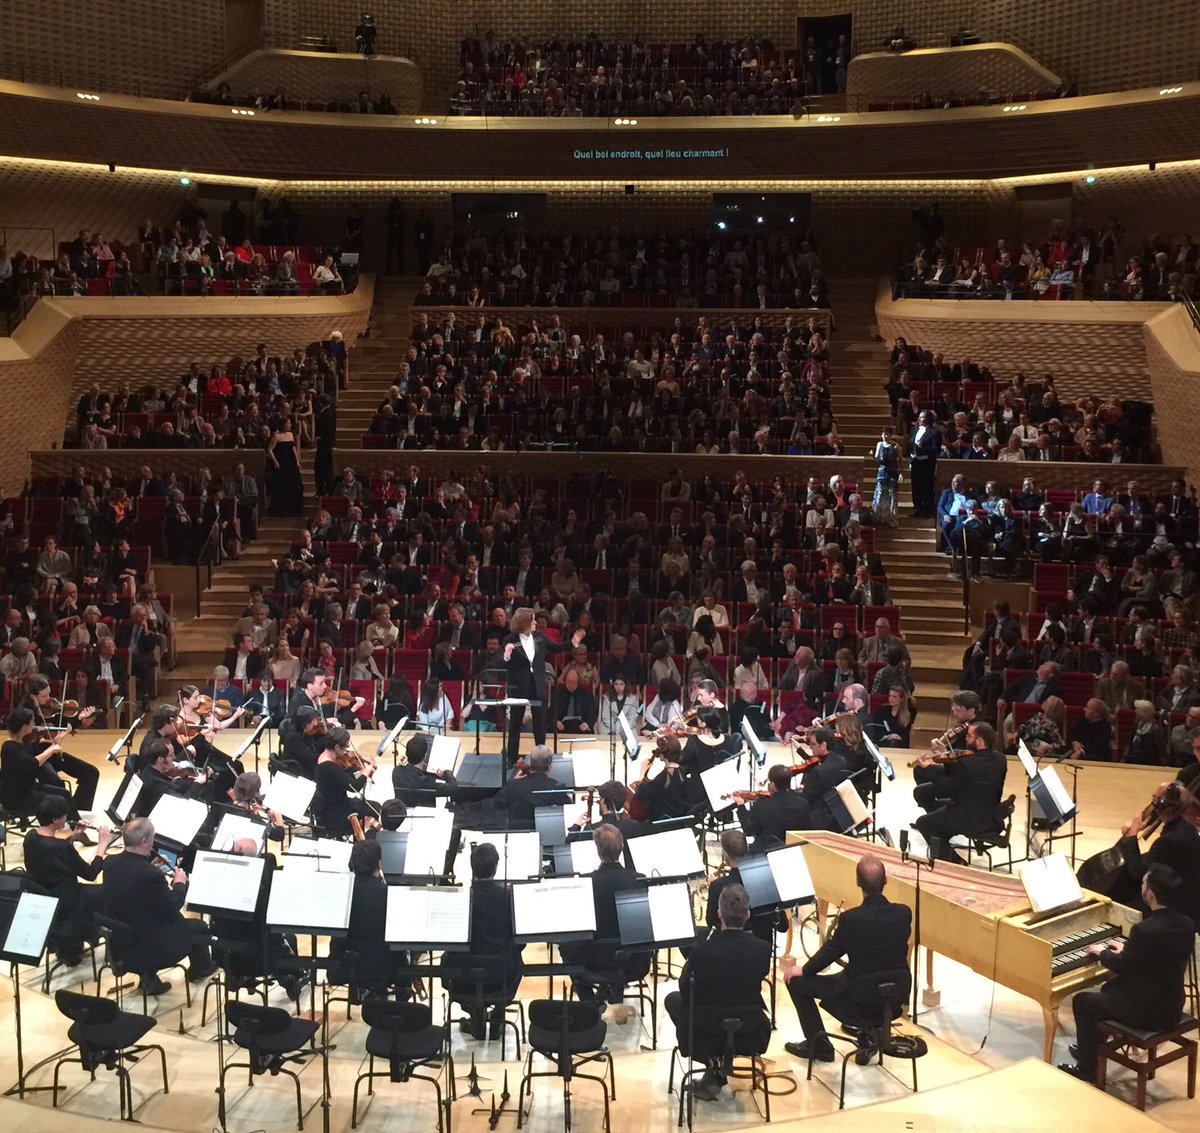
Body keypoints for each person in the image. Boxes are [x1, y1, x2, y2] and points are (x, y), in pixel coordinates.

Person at [1058, 863, 1196, 1083]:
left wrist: (1103, 953)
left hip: (1145, 1012)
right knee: (1108, 988)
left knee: (1083, 1001)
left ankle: (1087, 1068)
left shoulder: (1144, 930)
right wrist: (1128, 949)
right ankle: (1091, 1049)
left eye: (1143, 884)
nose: (1141, 887)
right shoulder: (1187, 924)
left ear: (1150, 894)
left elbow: (1122, 966)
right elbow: (1159, 958)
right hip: (1171, 1004)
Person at [782, 854, 911, 1062]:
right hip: (893, 996)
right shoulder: (904, 914)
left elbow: (830, 952)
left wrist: (803, 970)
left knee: (795, 982)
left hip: (858, 999)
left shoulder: (852, 919)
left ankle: (820, 1047)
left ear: (858, 882)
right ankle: (868, 1033)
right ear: (886, 880)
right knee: (872, 970)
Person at [664, 884, 771, 1102]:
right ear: (747, 915)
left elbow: (685, 990)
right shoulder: (762, 949)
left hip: (705, 1034)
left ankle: (711, 1062)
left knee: (672, 1000)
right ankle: (719, 1064)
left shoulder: (701, 951)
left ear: (719, 913)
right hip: (748, 1032)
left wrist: (691, 963)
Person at [101, 817, 215, 995]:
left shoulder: (110, 862)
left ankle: (149, 979)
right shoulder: (150, 875)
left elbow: (132, 886)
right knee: (199, 927)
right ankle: (201, 969)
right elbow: (173, 905)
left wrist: (149, 866)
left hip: (122, 942)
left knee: (162, 919)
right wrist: (179, 883)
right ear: (144, 841)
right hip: (149, 946)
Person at [559, 824, 651, 1018]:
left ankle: (589, 1000)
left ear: (597, 851)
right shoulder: (639, 880)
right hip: (634, 962)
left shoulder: (585, 883)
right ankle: (609, 990)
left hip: (593, 962)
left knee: (566, 948)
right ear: (622, 847)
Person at [442, 842, 524, 1040]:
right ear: (496, 867)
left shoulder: (460, 899)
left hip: (464, 978)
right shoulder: (509, 897)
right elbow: (521, 942)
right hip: (502, 978)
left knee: (447, 960)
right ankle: (497, 1014)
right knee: (515, 958)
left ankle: (474, 1013)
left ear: (472, 868)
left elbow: (448, 941)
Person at [23, 795, 110, 966]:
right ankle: (97, 940)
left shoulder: (30, 837)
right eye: (64, 816)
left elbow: (54, 851)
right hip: (68, 900)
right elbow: (90, 873)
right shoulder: (60, 848)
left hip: (46, 894)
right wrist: (102, 846)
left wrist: (75, 835)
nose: (66, 818)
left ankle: (72, 946)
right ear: (55, 820)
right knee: (108, 892)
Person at [912, 722, 1007, 862]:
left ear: (979, 741)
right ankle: (942, 837)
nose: (966, 739)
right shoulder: (1000, 759)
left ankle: (955, 861)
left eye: (969, 736)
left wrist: (928, 769)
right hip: (988, 812)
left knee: (923, 823)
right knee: (937, 808)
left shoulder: (968, 763)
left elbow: (947, 788)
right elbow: (965, 774)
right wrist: (946, 753)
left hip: (968, 816)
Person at [329, 839, 412, 999]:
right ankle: (401, 997)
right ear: (379, 864)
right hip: (380, 966)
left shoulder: (339, 892)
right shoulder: (388, 895)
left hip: (343, 964)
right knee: (402, 953)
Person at [501, 607, 585, 761]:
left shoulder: (539, 637)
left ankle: (541, 758)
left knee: (539, 724)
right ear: (524, 623)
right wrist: (507, 655)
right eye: (532, 620)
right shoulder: (509, 639)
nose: (535, 623)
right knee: (515, 723)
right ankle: (511, 758)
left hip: (537, 685)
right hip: (519, 686)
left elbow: (556, 648)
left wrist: (573, 642)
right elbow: (505, 664)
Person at [313, 726, 379, 835]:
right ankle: (363, 839)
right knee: (375, 809)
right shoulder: (328, 766)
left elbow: (343, 779)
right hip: (337, 815)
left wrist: (361, 772)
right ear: (337, 747)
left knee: (373, 805)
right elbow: (354, 787)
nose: (346, 751)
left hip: (335, 805)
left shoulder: (323, 757)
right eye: (344, 747)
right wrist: (366, 772)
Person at [738, 763, 811, 851]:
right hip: (794, 850)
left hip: (766, 851)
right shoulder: (802, 804)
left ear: (772, 784)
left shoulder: (762, 805)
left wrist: (741, 807)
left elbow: (749, 830)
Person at [492, 743, 568, 827]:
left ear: (530, 764)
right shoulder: (557, 787)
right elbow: (568, 807)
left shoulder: (513, 785)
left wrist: (513, 781)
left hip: (517, 829)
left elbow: (497, 802)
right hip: (545, 829)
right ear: (550, 767)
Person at [392, 732, 458, 806]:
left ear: (407, 753)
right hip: (423, 811)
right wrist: (447, 772)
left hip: (402, 809)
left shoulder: (396, 771)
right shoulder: (425, 782)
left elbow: (412, 775)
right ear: (425, 756)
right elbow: (452, 787)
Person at [267, 416, 305, 517]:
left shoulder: (291, 435)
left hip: (291, 463)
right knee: (282, 487)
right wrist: (275, 462)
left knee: (294, 485)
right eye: (288, 423)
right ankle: (281, 510)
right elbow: (269, 450)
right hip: (281, 464)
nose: (290, 425)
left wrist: (297, 461)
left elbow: (293, 448)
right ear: (283, 425)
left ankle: (295, 510)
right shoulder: (277, 436)